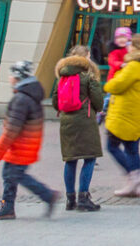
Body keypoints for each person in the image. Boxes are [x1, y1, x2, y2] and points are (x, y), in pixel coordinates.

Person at [0, 60, 59, 220]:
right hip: (26, 144)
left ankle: (48, 195)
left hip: (22, 145)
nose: (10, 77)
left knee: (16, 175)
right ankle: (7, 208)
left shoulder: (21, 99)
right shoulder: (28, 94)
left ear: (18, 77)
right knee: (10, 175)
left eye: (12, 74)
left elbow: (11, 132)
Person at [102, 32, 140, 198]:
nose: (127, 47)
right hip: (139, 112)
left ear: (136, 47)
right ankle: (132, 187)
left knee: (111, 146)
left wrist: (108, 84)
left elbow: (115, 85)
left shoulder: (135, 66)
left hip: (125, 112)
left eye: (130, 44)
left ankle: (133, 177)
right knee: (132, 149)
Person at [52, 45, 104, 212]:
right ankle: (83, 198)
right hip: (85, 121)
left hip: (67, 122)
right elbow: (98, 102)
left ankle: (70, 199)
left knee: (70, 159)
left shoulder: (62, 76)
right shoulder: (88, 76)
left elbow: (55, 102)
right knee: (89, 158)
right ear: (86, 57)